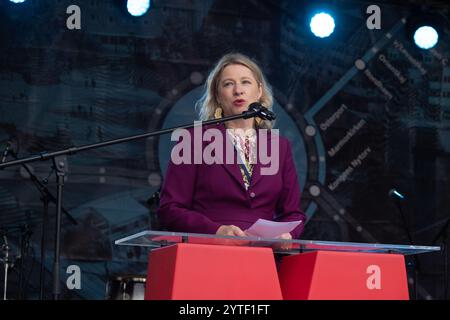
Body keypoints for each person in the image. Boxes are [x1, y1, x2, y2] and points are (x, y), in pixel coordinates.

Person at [156, 53, 306, 240]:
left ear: (259, 91)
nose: (238, 90)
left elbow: (294, 214)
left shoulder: (279, 147)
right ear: (218, 95)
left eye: (245, 82)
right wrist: (216, 231)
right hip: (208, 253)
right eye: (228, 84)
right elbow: (170, 209)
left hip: (263, 258)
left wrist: (288, 235)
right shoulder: (193, 140)